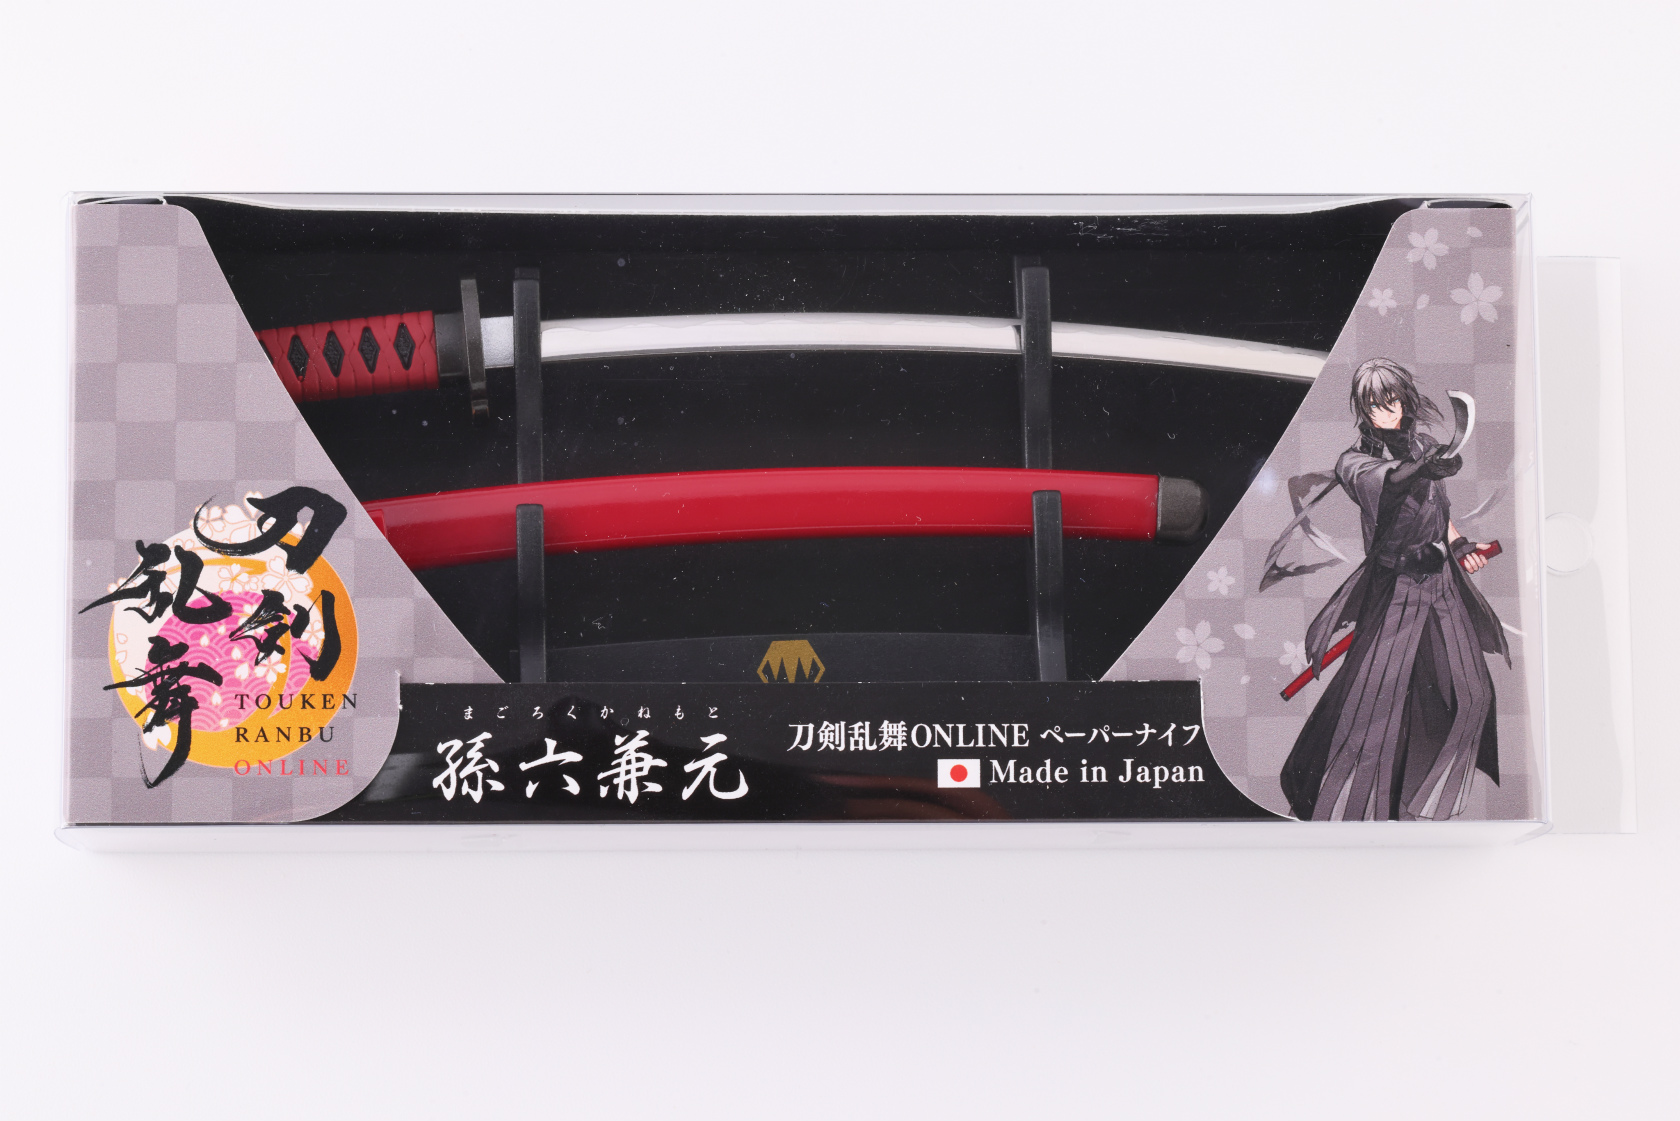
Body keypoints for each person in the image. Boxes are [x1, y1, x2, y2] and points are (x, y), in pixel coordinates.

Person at [1279, 358, 1508, 821]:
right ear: (1362, 409)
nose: (1387, 411)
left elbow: (1436, 512)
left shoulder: (1422, 446)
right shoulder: (1353, 463)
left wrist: (1461, 545)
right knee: (1372, 708)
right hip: (1396, 591)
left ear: (1404, 399)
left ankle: (1428, 805)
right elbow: (1394, 485)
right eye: (1375, 404)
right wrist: (1424, 467)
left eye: (1393, 400)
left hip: (1442, 584)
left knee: (1474, 693)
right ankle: (1343, 813)